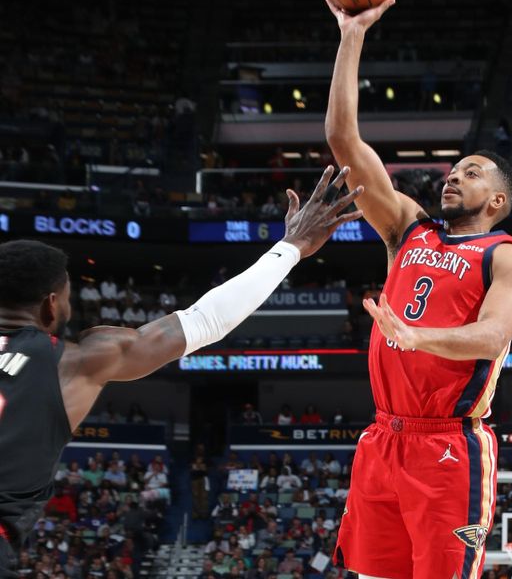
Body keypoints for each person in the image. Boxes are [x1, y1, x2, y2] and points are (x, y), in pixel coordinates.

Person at [0, 167, 362, 577]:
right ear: (51, 305)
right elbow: (205, 320)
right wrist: (291, 246)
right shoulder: (74, 359)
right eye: (66, 300)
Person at [324, 0, 512, 579]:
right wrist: (352, 35)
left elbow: (492, 338)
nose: (453, 176)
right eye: (453, 169)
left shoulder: (508, 255)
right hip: (381, 438)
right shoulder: (407, 229)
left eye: (471, 173)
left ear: (496, 201)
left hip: (447, 448)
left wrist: (415, 337)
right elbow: (346, 143)